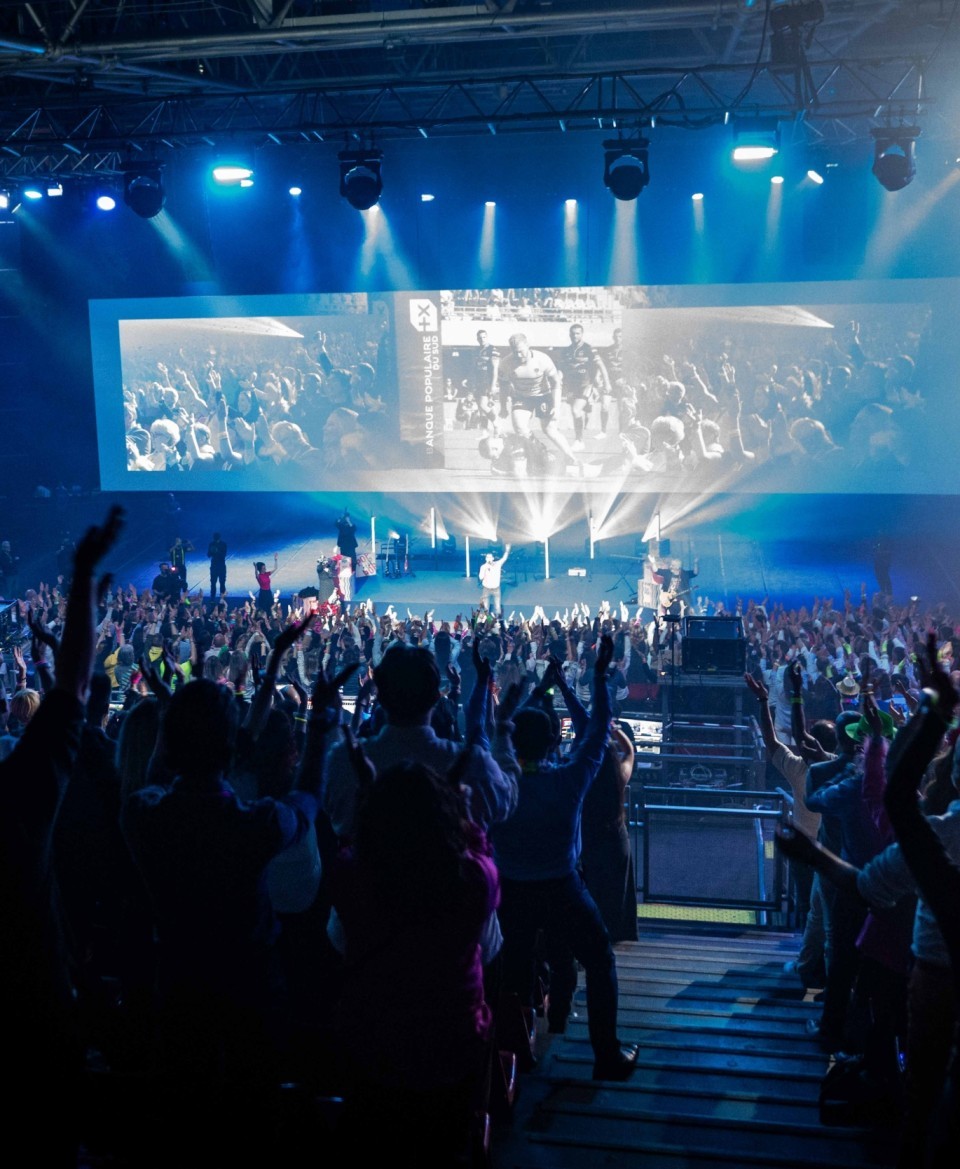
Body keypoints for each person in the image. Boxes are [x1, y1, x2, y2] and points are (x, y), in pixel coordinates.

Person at [491, 634, 639, 1081]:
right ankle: (607, 1055)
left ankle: (503, 1057)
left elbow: (497, 733)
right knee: (599, 959)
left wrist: (529, 697)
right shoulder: (570, 778)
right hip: (561, 887)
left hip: (511, 892)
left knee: (508, 970)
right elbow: (598, 729)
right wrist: (597, 676)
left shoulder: (499, 780)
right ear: (555, 740)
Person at [497, 333, 577, 467]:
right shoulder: (506, 363)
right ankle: (540, 453)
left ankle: (571, 458)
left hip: (543, 395)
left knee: (549, 429)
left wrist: (556, 407)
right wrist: (503, 406)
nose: (519, 356)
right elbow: (503, 386)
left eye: (521, 351)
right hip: (522, 397)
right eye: (515, 352)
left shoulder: (542, 359)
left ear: (528, 346)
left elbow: (556, 382)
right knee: (520, 428)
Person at [479, 545, 511, 615]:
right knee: (485, 608)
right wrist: (485, 569)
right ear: (486, 559)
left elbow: (504, 558)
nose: (489, 558)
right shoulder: (483, 567)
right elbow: (480, 577)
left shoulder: (498, 564)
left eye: (490, 557)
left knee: (497, 607)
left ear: (493, 558)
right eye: (487, 557)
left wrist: (507, 550)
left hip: (496, 589)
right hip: (486, 589)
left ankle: (498, 622)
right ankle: (486, 623)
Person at [207, 531, 227, 597]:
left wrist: (217, 551)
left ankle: (222, 597)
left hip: (221, 566)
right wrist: (211, 551)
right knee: (213, 583)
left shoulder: (223, 544)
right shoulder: (211, 544)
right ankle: (212, 597)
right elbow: (208, 555)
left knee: (222, 582)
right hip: (214, 566)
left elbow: (224, 555)